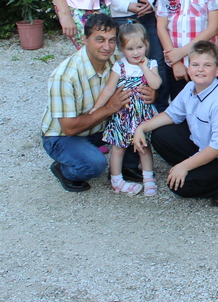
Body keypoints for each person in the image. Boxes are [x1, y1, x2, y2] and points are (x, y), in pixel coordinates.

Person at [41, 14, 153, 192]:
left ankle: (126, 166)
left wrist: (150, 94)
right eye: (100, 39)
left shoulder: (118, 60)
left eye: (111, 40)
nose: (107, 47)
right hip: (62, 136)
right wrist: (110, 108)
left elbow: (144, 79)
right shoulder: (64, 76)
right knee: (94, 165)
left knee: (136, 122)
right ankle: (64, 170)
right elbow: (69, 128)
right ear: (85, 39)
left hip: (98, 127)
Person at [134, 41, 218, 204]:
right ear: (188, 67)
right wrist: (141, 128)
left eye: (207, 65)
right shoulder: (190, 87)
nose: (200, 69)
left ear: (217, 70)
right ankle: (197, 169)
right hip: (202, 147)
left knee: (180, 186)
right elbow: (171, 115)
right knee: (159, 135)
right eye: (195, 65)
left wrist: (184, 166)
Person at [87, 22, 161, 196]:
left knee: (144, 147)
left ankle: (148, 178)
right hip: (123, 114)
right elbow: (109, 89)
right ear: (122, 49)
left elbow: (156, 84)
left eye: (139, 47)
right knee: (118, 147)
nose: (135, 53)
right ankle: (116, 180)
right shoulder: (119, 66)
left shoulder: (151, 64)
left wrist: (144, 67)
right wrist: (97, 107)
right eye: (130, 49)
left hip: (142, 115)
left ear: (146, 45)